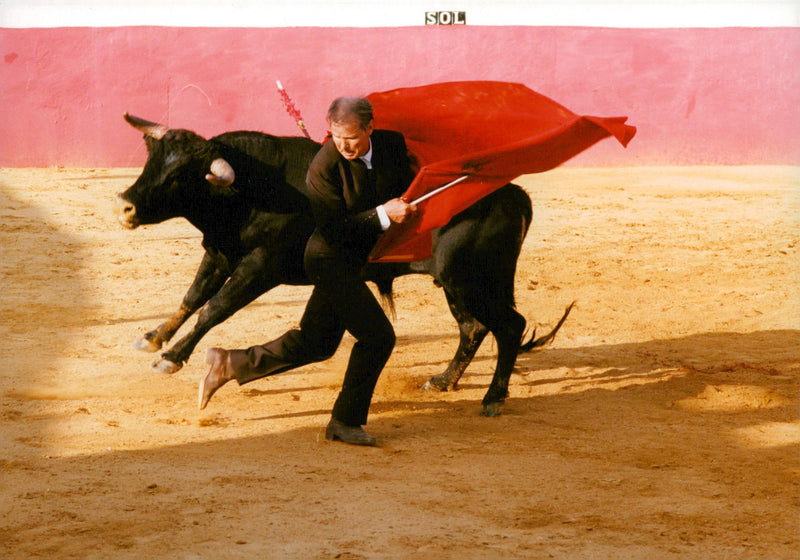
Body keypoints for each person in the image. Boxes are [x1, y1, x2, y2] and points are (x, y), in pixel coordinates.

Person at [198, 97, 418, 446]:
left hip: (358, 260)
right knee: (378, 338)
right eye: (335, 136)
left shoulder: (392, 144)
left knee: (316, 343)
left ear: (370, 127)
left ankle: (231, 363)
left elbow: (413, 179)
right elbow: (333, 229)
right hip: (328, 258)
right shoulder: (323, 166)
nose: (343, 146)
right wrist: (383, 215)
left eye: (351, 138)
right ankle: (344, 421)